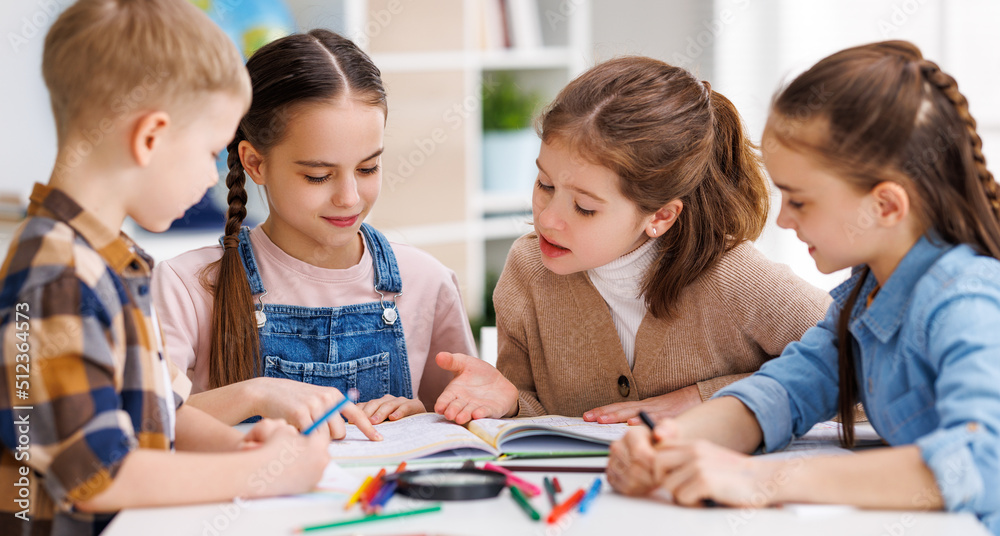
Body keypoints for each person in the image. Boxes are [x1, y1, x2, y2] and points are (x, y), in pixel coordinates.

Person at [606, 41, 1000, 534]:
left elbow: (982, 462)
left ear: (885, 206)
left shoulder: (967, 302)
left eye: (800, 200)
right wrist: (670, 442)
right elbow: (785, 391)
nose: (784, 219)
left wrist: (762, 479)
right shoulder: (869, 296)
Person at [0, 1, 339, 533]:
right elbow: (99, 477)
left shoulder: (107, 261)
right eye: (209, 150)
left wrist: (240, 447)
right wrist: (259, 474)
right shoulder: (57, 278)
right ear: (150, 137)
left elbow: (159, 413)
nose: (211, 178)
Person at [433, 56, 831, 425]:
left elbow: (870, 373)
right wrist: (510, 401)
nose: (548, 219)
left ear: (659, 216)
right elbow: (540, 417)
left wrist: (706, 397)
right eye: (544, 184)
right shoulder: (528, 269)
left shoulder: (736, 277)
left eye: (585, 207)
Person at [151, 29, 477, 431]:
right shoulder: (188, 287)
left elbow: (464, 426)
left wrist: (424, 416)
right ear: (255, 163)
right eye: (319, 176)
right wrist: (254, 395)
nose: (349, 197)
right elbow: (148, 428)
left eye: (367, 168)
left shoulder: (427, 282)